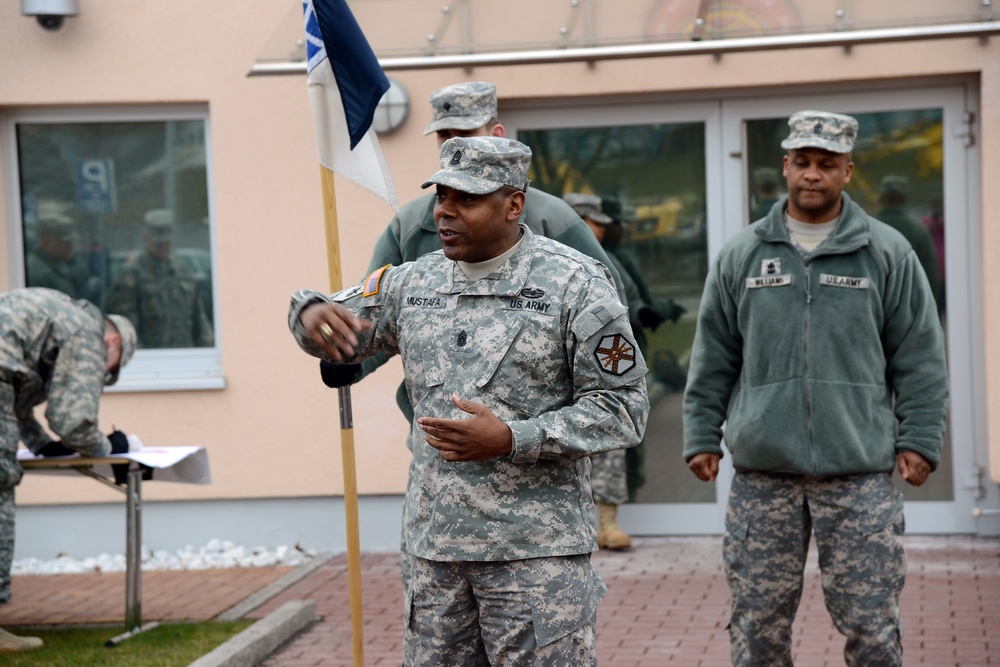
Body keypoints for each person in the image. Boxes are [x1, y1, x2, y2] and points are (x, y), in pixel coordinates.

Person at [290, 137, 649, 665]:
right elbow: (328, 321)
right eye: (441, 196)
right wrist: (308, 314)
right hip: (435, 555)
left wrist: (513, 437)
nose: (445, 212)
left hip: (534, 557)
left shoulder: (575, 284)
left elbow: (624, 409)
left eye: (467, 198)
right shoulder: (411, 283)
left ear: (513, 204)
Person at [683, 110, 948, 666]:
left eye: (826, 164)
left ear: (848, 171)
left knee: (873, 629)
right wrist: (701, 433)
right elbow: (713, 354)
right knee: (757, 631)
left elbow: (920, 357)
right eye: (801, 162)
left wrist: (919, 440)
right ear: (784, 166)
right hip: (763, 479)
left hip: (858, 477)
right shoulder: (743, 254)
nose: (811, 174)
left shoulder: (886, 252)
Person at [329, 81, 628, 424]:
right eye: (444, 136)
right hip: (438, 432)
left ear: (497, 132)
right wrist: (348, 360)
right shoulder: (412, 224)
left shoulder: (552, 217)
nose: (455, 143)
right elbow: (380, 316)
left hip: (534, 438)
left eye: (465, 132)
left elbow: (606, 305)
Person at [0, 287, 136, 653]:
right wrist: (109, 449)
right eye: (110, 370)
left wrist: (44, 446)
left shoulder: (55, 312)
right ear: (112, 342)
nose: (104, 375)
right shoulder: (87, 332)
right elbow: (74, 420)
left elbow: (18, 402)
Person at [106, 209, 214, 349]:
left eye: (166, 242)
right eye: (158, 243)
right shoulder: (131, 273)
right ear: (147, 239)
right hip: (152, 362)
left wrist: (208, 353)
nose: (163, 247)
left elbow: (199, 322)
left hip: (184, 358)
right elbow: (125, 329)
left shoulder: (181, 272)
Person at [875, 175, 942, 312]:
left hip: (874, 306)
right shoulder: (919, 229)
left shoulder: (866, 228)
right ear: (904, 198)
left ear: (881, 197)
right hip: (909, 309)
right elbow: (930, 273)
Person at [24, 215, 86, 298]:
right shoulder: (36, 272)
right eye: (65, 243)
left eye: (71, 242)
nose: (71, 247)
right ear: (44, 242)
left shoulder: (57, 264)